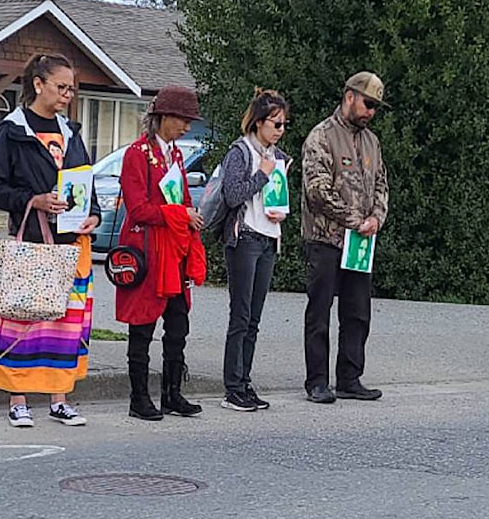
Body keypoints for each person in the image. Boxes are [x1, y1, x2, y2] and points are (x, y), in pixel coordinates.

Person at [0, 53, 101, 427]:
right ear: (38, 85)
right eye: (61, 87)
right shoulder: (13, 131)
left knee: (67, 323)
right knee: (25, 320)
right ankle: (18, 399)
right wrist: (32, 200)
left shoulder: (72, 134)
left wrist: (94, 214)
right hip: (33, 243)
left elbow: (86, 181)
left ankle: (59, 397)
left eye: (71, 88)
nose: (67, 95)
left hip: (72, 244)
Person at [116, 85, 207, 421]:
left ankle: (172, 394)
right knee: (142, 326)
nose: (186, 127)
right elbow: (138, 209)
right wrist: (180, 214)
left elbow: (179, 198)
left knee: (177, 324)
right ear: (162, 116)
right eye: (182, 119)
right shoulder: (137, 154)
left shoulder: (176, 155)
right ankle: (138, 398)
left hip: (174, 252)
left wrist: (188, 215)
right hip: (147, 250)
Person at [301, 71, 389, 404]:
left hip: (360, 242)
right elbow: (316, 190)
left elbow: (382, 184)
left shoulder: (372, 141)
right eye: (368, 104)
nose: (370, 112)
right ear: (349, 96)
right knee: (320, 310)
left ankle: (350, 377)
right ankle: (317, 381)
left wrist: (376, 218)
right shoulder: (321, 136)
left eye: (376, 107)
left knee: (357, 311)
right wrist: (355, 220)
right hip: (325, 238)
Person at [218, 88, 290, 412]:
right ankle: (232, 387)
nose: (280, 130)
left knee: (255, 319)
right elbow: (233, 195)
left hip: (268, 237)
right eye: (275, 124)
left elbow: (276, 196)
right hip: (245, 237)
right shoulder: (241, 152)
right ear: (259, 123)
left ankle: (245, 381)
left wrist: (281, 209)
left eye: (284, 124)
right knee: (241, 314)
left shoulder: (279, 156)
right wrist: (262, 174)